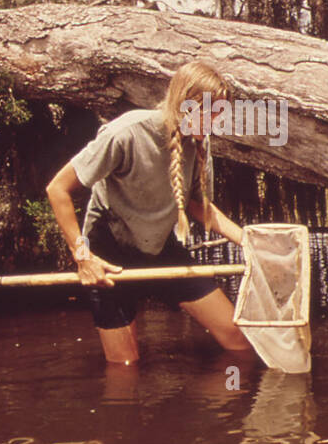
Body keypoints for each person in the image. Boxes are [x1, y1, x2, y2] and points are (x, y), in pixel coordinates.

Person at [46, 60, 254, 364]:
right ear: (187, 104)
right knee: (125, 368)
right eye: (212, 112)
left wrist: (247, 241)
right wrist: (83, 257)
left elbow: (197, 205)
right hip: (109, 254)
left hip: (160, 248)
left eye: (220, 114)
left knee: (239, 341)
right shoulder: (127, 132)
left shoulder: (198, 143)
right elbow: (57, 189)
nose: (216, 122)